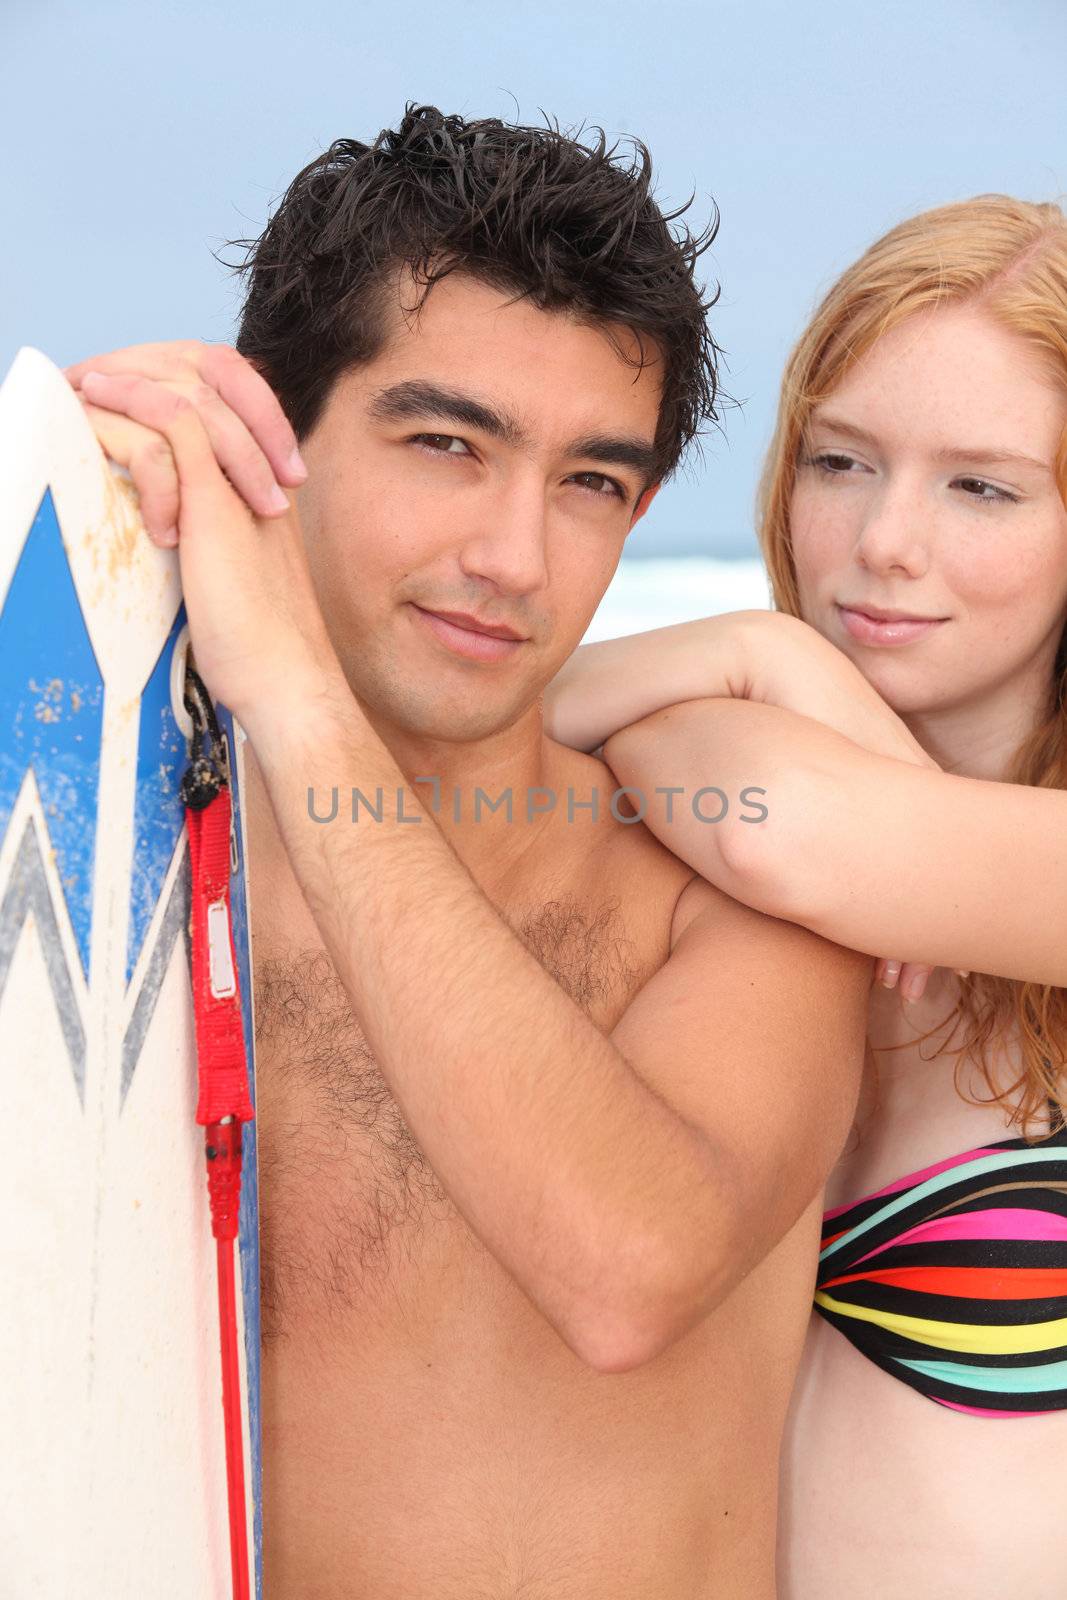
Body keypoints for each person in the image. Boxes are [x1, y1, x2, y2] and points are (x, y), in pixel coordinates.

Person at [62, 106, 874, 1598]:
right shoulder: (115, 883)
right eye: (447, 444)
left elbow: (629, 1268)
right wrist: (74, 490)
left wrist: (298, 706)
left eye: (592, 485)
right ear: (272, 435)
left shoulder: (735, 889)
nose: (516, 556)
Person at [544, 193, 1067, 1597]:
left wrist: (774, 668)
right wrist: (757, 662)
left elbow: (793, 832)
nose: (885, 542)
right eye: (842, 462)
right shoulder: (691, 824)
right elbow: (516, 735)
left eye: (985, 486)